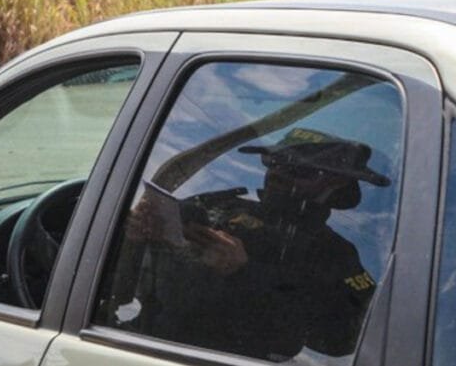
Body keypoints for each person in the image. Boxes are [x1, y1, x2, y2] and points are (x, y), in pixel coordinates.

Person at [108, 130, 390, 362]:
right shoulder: (212, 208)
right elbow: (115, 290)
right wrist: (134, 237)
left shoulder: (334, 254)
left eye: (297, 169)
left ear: (335, 183)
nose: (278, 173)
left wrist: (244, 272)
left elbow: (342, 340)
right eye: (273, 162)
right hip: (140, 345)